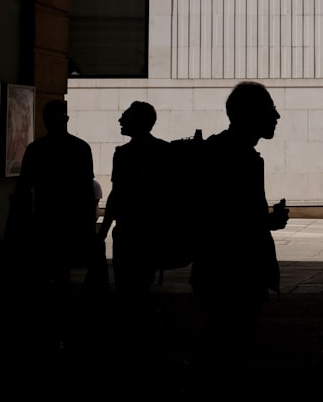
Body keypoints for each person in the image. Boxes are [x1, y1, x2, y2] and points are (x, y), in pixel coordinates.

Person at [189, 81, 289, 380]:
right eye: (271, 110)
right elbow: (232, 220)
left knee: (222, 340)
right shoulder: (240, 158)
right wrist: (267, 222)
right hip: (236, 270)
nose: (277, 117)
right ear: (252, 114)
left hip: (217, 268)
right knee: (232, 343)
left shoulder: (224, 151)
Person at [16, 98, 98, 348]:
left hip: (44, 219)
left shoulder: (35, 149)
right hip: (70, 221)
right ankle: (67, 325)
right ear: (66, 120)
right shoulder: (81, 148)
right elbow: (86, 192)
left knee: (42, 275)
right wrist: (89, 228)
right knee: (65, 276)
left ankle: (46, 327)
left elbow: (23, 189)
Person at [98, 102, 171, 307]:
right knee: (141, 286)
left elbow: (117, 195)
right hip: (152, 230)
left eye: (126, 117)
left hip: (128, 230)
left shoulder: (123, 153)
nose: (121, 120)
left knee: (126, 287)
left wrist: (103, 231)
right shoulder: (164, 150)